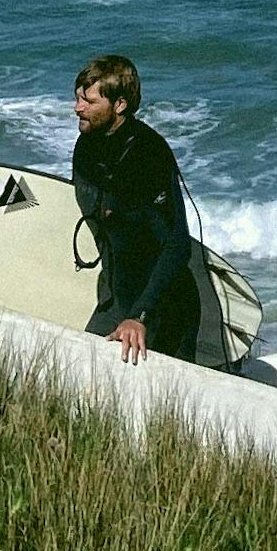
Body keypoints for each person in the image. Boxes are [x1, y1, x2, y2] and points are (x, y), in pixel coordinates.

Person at [69, 53, 201, 365]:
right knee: (83, 371)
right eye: (77, 99)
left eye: (88, 101)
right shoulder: (87, 147)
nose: (78, 108)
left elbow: (176, 244)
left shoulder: (148, 155)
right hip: (116, 296)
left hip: (162, 305)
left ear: (120, 105)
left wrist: (140, 315)